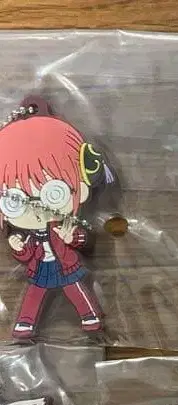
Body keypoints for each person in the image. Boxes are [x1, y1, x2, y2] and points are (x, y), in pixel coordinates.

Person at [0, 97, 111, 339]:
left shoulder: (66, 223)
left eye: (54, 192)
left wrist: (73, 238)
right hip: (41, 266)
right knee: (35, 292)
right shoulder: (26, 232)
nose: (36, 206)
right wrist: (19, 248)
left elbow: (83, 240)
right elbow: (27, 254)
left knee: (75, 288)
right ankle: (25, 323)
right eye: (16, 199)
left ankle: (91, 317)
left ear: (82, 185)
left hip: (66, 264)